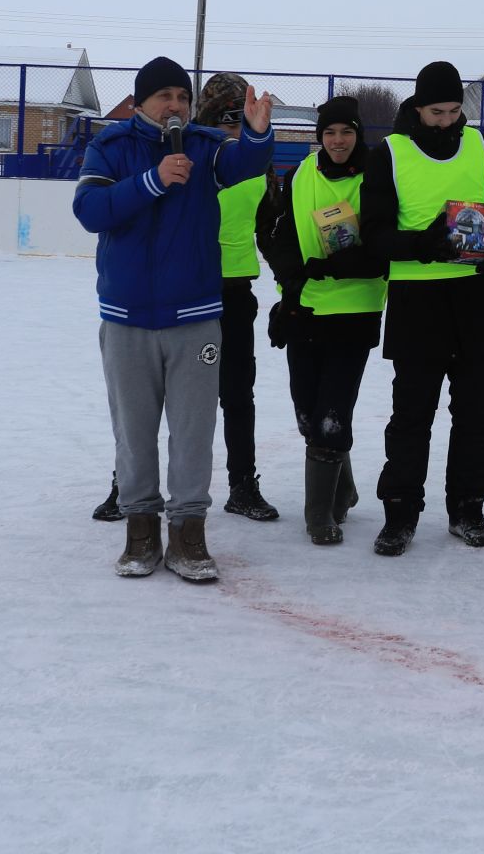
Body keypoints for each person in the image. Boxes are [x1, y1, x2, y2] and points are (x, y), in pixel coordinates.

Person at [73, 56, 274, 581]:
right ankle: (140, 533)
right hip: (128, 318)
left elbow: (246, 166)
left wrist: (255, 134)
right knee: (134, 432)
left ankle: (188, 536)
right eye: (164, 96)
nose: (176, 106)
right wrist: (152, 181)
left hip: (196, 318)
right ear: (140, 103)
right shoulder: (110, 147)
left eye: (182, 97)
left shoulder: (206, 148)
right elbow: (90, 210)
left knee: (192, 431)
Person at [357, 61, 484, 556]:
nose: (446, 121)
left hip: (477, 299)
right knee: (412, 415)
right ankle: (400, 512)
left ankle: (468, 506)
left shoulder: (482, 146)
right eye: (436, 111)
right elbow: (375, 234)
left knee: (476, 413)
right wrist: (424, 244)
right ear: (418, 107)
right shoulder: (391, 152)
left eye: (453, 111)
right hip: (418, 302)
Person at [258, 96, 386, 545]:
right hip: (306, 308)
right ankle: (344, 490)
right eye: (329, 133)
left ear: (358, 135)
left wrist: (335, 266)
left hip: (355, 310)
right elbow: (274, 230)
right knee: (307, 414)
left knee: (333, 415)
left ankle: (319, 516)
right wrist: (290, 283)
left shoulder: (378, 174)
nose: (337, 141)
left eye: (346, 132)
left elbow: (382, 243)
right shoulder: (301, 174)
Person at [196, 73, 279, 522]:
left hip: (234, 296)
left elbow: (274, 233)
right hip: (183, 293)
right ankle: (128, 483)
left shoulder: (255, 166)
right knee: (164, 395)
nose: (233, 129)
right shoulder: (186, 156)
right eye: (225, 119)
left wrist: (292, 293)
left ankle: (242, 485)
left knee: (236, 395)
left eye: (239, 119)